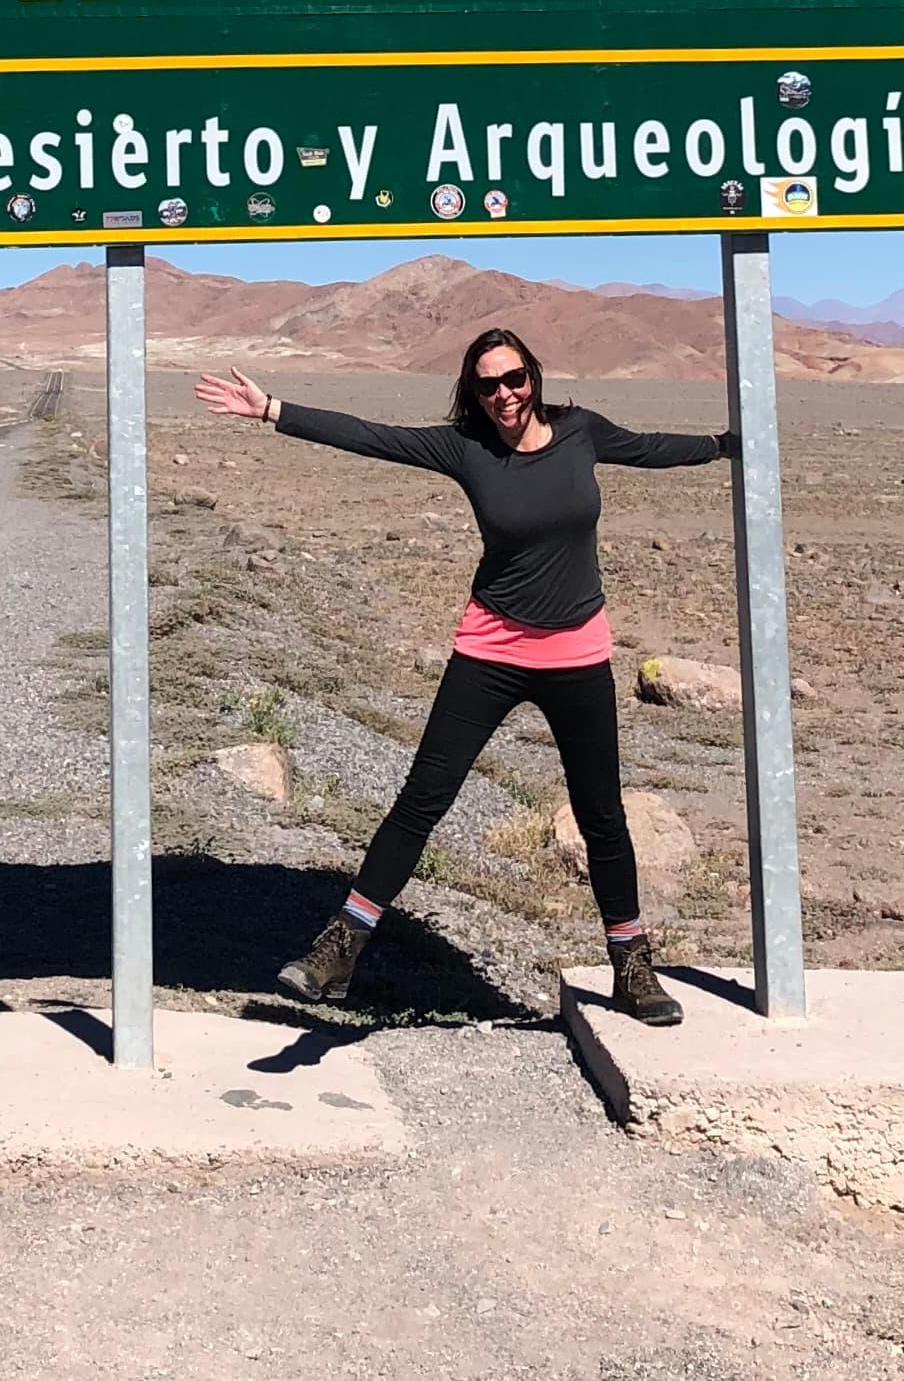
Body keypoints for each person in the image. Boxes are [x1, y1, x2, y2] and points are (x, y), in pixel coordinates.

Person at [194, 327, 739, 1026]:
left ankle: (632, 967)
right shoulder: (465, 448)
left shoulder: (581, 433)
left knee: (602, 815)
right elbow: (372, 435)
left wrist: (726, 445)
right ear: (472, 392)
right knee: (424, 798)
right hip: (490, 650)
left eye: (514, 379)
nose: (504, 394)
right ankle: (342, 945)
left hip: (576, 655)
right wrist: (274, 410)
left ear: (533, 378)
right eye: (488, 385)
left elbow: (652, 448)